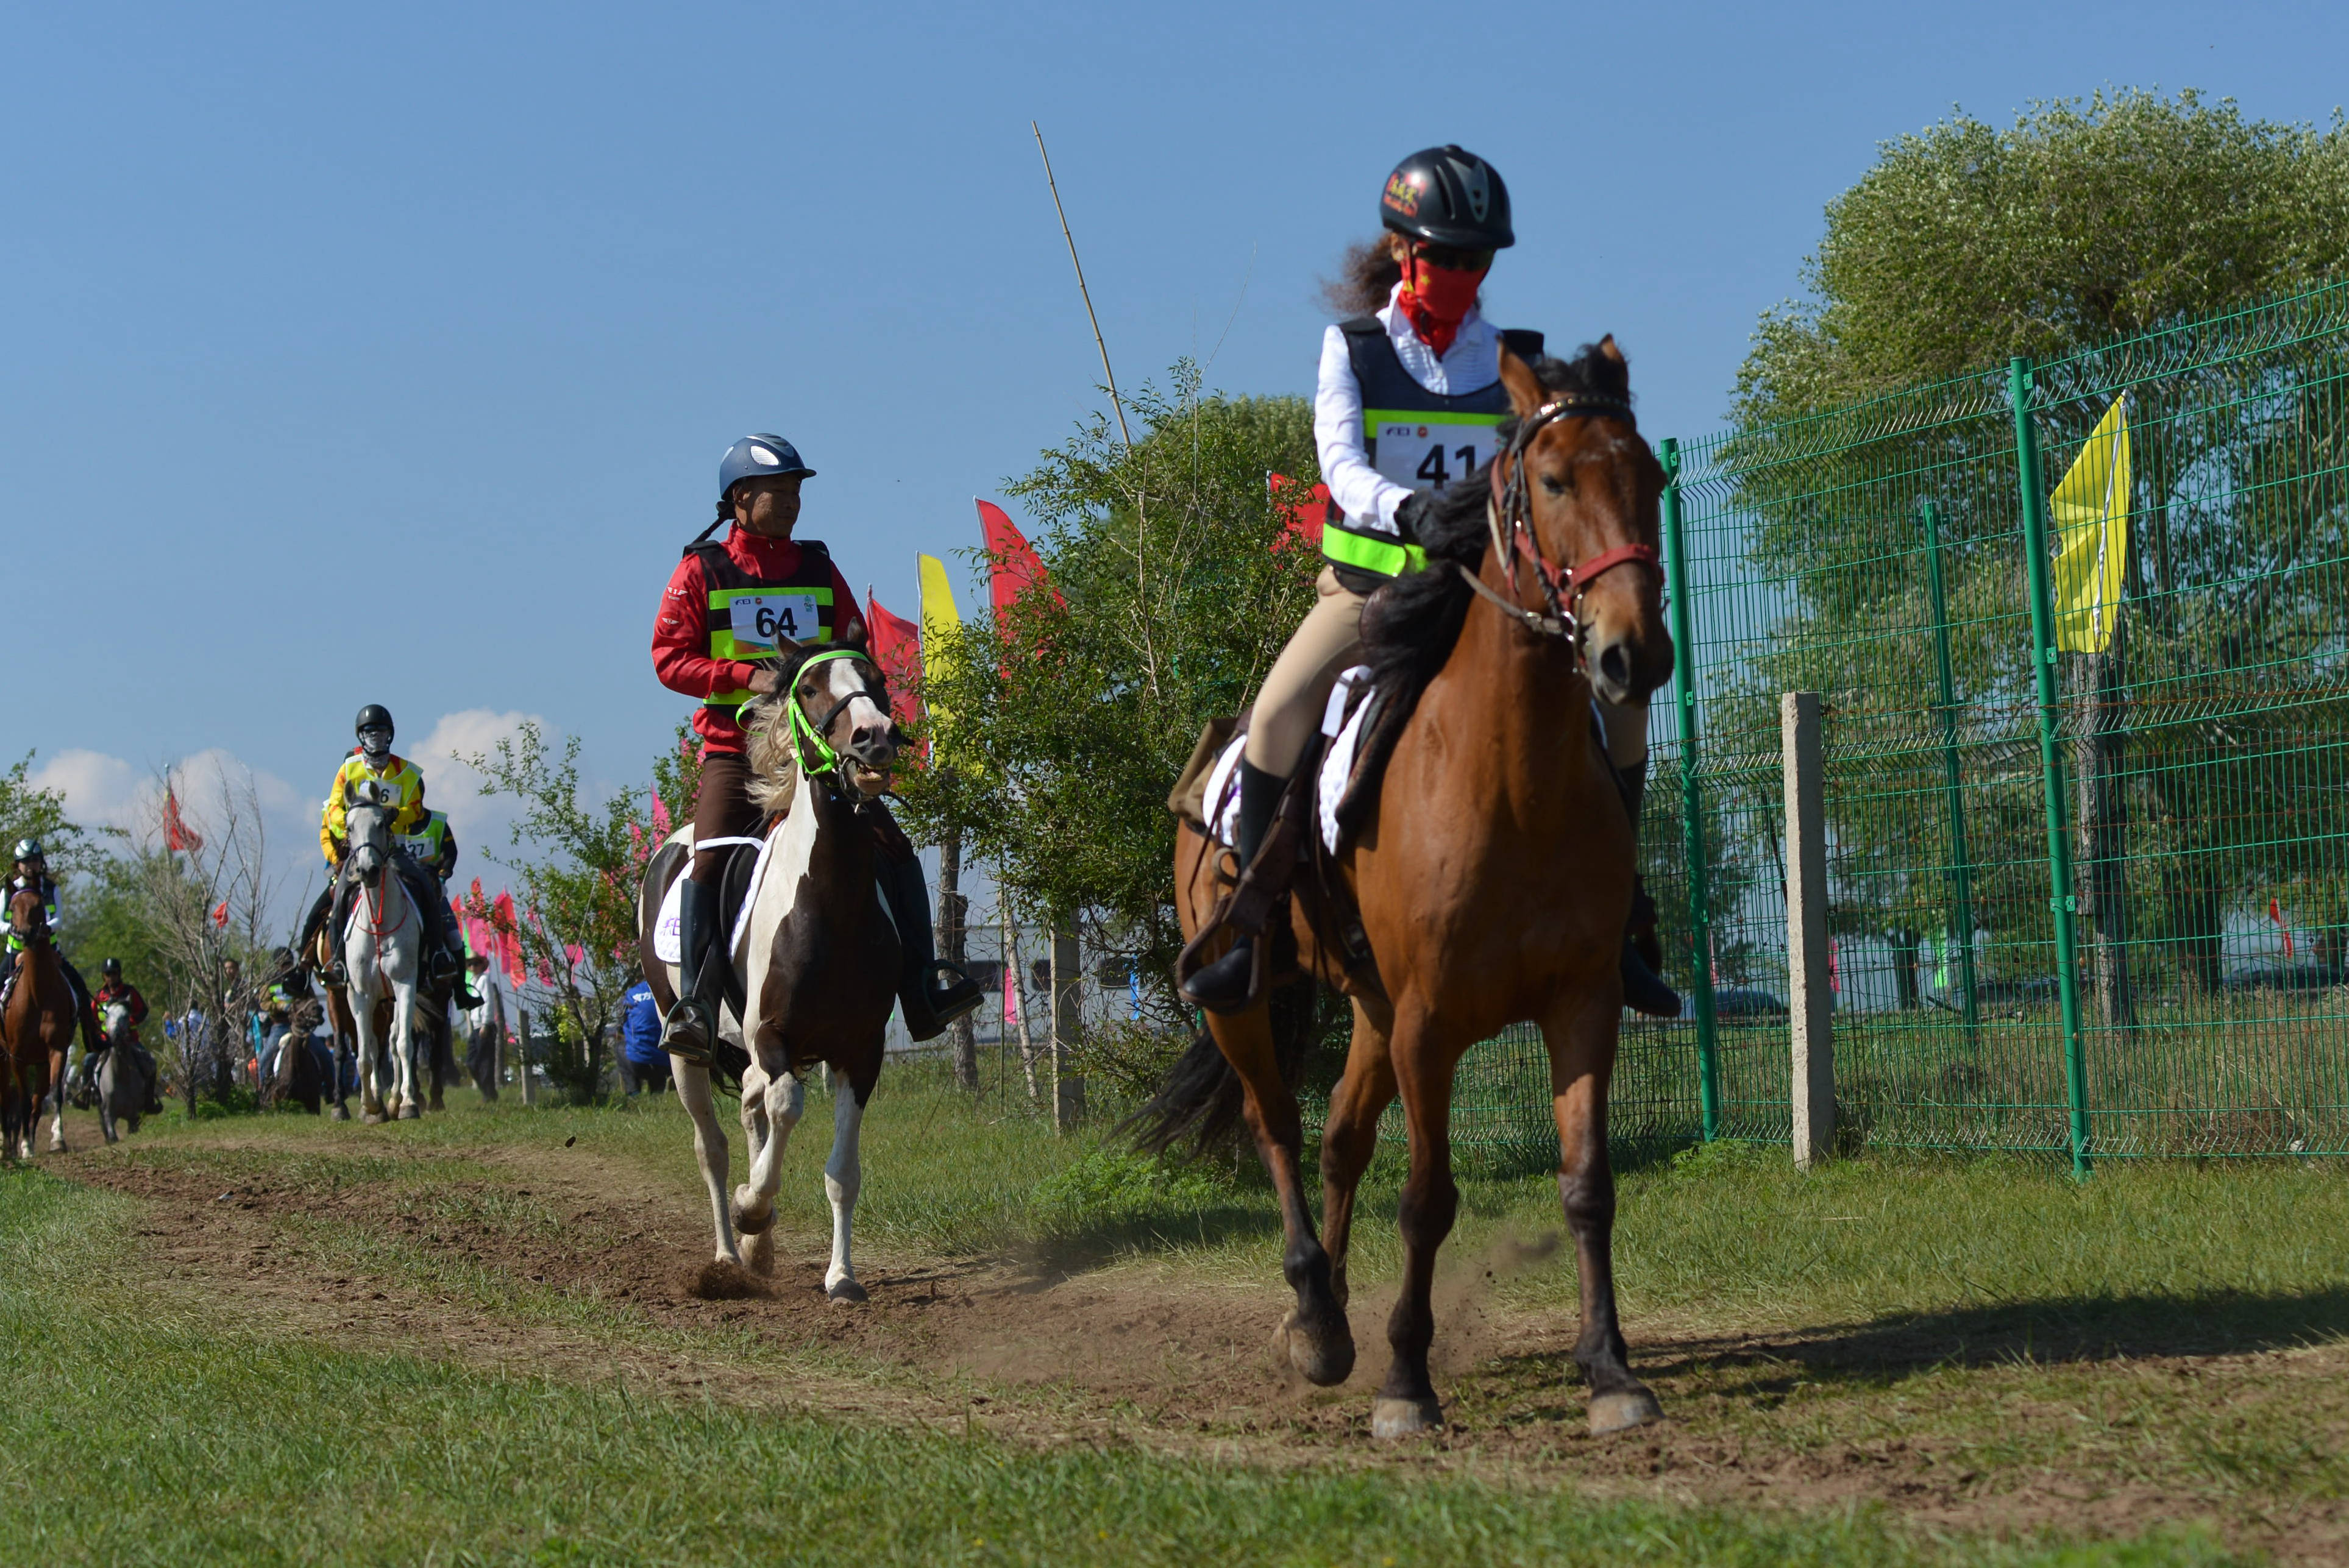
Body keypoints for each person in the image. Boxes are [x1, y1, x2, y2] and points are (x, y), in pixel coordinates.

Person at [1184, 146, 1679, 1019]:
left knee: (1624, 709)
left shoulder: (1515, 364)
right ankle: (1251, 928)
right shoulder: (1354, 350)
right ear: (1402, 251)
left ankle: (1624, 920)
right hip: (1365, 598)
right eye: (1444, 256)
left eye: (1475, 259)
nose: (1460, 273)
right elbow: (1338, 466)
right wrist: (1403, 511)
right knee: (1274, 714)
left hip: (1488, 600)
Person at [649, 432, 981, 1061]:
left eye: (797, 491)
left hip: (817, 748)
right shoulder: (701, 569)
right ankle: (694, 1004)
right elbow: (668, 659)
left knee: (892, 844)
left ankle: (921, 984)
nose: (792, 503)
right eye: (778, 491)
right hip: (735, 747)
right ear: (739, 499)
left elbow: (854, 648)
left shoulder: (817, 567)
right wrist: (744, 677)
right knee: (711, 857)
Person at [298, 705, 478, 1007]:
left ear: (390, 736)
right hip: (362, 848)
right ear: (361, 737)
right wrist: (353, 824)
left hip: (396, 847)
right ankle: (337, 962)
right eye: (370, 733)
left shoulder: (407, 772)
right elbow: (333, 810)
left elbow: (417, 808)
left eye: (381, 733)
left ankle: (437, 955)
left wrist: (395, 815)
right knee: (340, 892)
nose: (376, 739)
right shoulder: (348, 771)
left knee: (425, 886)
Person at [1, 839, 105, 1062]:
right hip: (15, 952)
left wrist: (46, 927)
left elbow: (59, 918)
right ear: (17, 864)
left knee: (79, 986)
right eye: (26, 861)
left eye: (35, 860)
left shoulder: (50, 888)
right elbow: (0, 922)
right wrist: (12, 928)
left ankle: (92, 1036)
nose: (31, 865)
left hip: (48, 952)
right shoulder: (9, 890)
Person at [89, 957, 163, 1113]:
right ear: (104, 976)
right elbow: (92, 1018)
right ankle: (91, 1095)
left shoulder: (130, 992)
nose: (111, 977)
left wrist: (128, 1022)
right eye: (108, 974)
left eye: (114, 973)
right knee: (88, 1062)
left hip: (129, 1041)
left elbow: (143, 1011)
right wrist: (98, 1031)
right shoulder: (99, 996)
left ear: (119, 974)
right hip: (106, 1042)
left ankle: (149, 1101)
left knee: (150, 1064)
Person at [462, 953, 504, 1101]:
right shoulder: (474, 982)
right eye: (470, 964)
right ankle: (487, 1092)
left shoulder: (485, 980)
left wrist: (486, 1024)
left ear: (482, 964)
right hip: (475, 1026)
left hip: (485, 1026)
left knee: (485, 1062)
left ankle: (490, 1095)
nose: (473, 967)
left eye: (476, 963)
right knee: (471, 1063)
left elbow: (487, 1002)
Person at [618, 973, 667, 1094]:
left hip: (638, 1061)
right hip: (666, 1061)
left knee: (619, 1048)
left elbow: (620, 1025)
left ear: (638, 979)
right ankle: (658, 1091)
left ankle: (633, 1091)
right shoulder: (666, 992)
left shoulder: (631, 994)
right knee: (658, 1045)